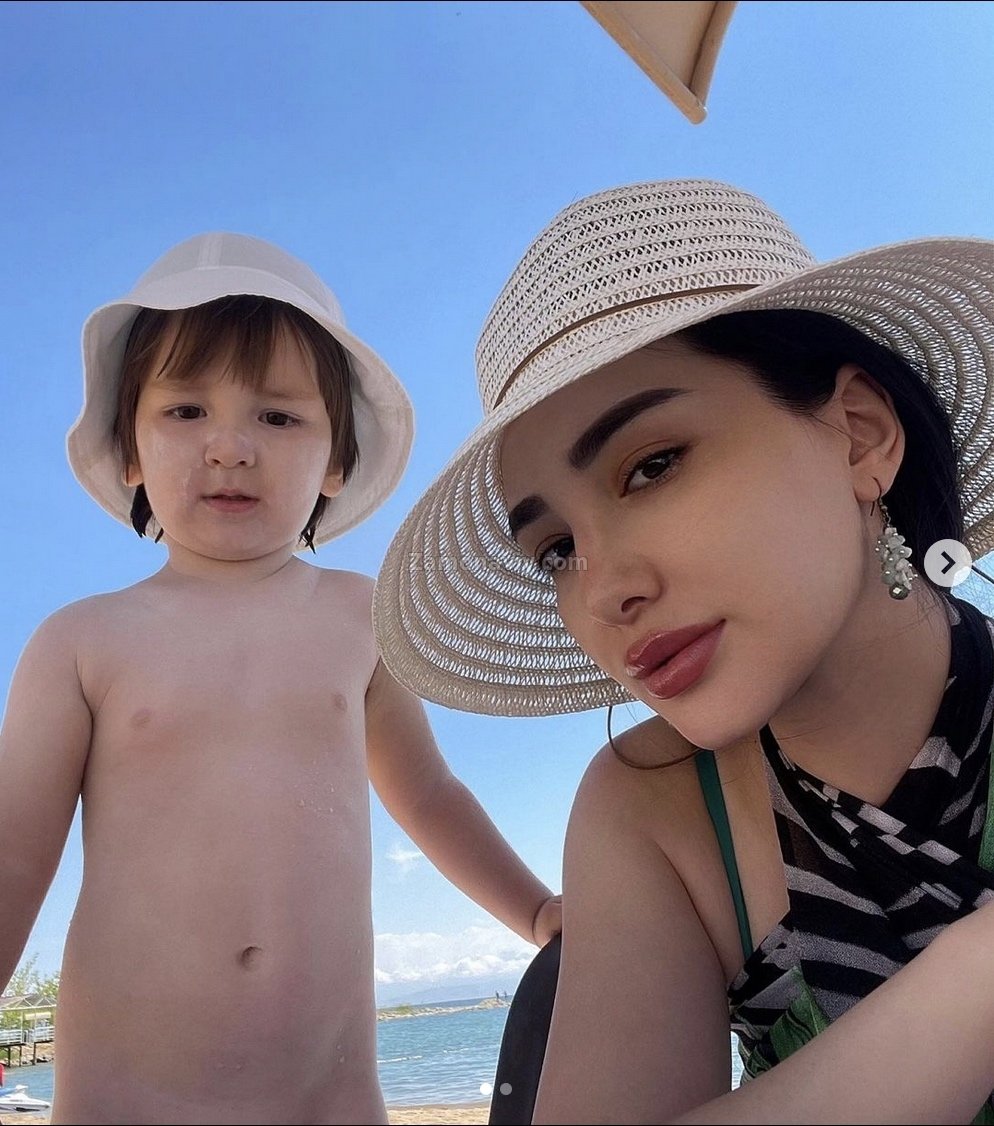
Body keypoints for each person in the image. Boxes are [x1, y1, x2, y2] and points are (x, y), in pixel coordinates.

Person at [373, 179, 994, 1124]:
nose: (602, 591)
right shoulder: (655, 806)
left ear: (859, 435)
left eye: (651, 466)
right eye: (557, 550)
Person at [0, 232, 561, 1125]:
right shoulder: (81, 642)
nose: (229, 447)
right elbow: (15, 849)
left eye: (278, 417)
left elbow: (429, 795)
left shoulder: (360, 617)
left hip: (328, 1098)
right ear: (130, 449)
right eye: (186, 410)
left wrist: (535, 914)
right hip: (124, 1100)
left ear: (336, 461)